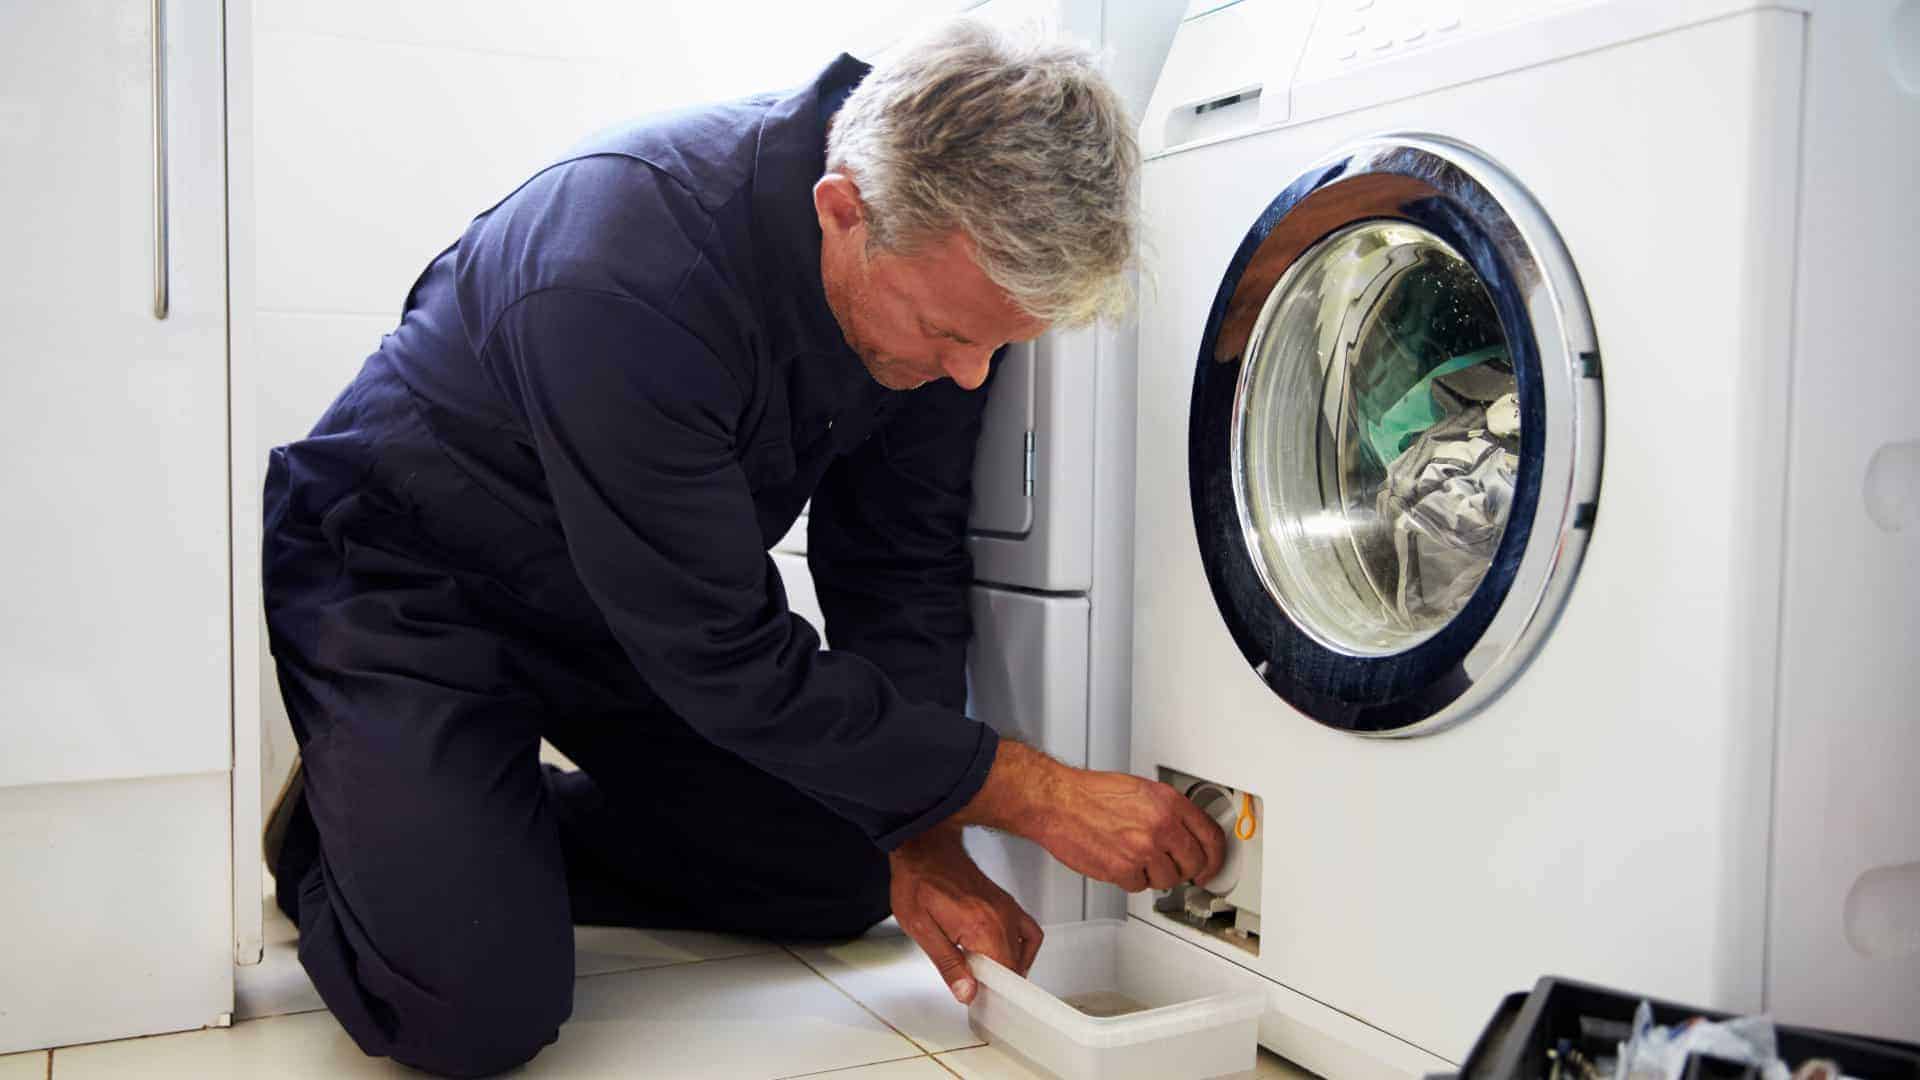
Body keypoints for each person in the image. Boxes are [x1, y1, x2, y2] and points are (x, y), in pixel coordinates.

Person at [261, 19, 1225, 1077]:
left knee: (843, 872)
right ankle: (344, 834)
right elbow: (723, 658)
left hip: (622, 606)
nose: (968, 375)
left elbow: (894, 564)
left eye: (1000, 342)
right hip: (408, 578)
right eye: (952, 336)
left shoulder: (931, 287)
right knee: (470, 1011)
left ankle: (482, 830)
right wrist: (1030, 789)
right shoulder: (625, 263)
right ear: (843, 211)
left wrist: (928, 835)